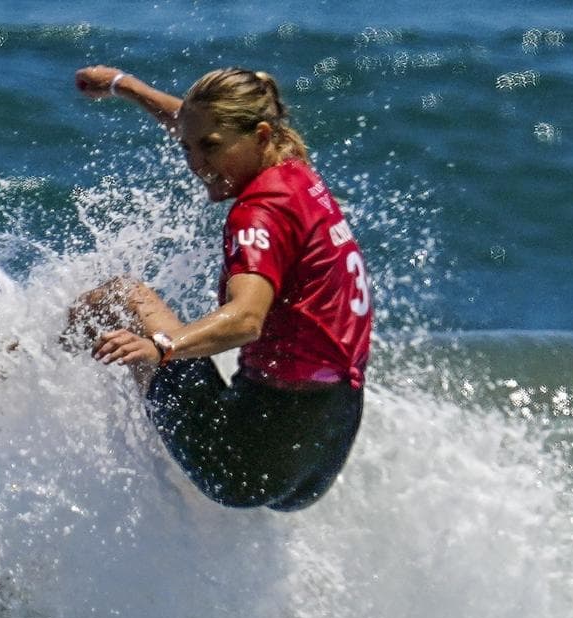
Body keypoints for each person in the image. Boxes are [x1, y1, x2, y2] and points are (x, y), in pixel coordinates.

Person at [68, 65, 373, 512]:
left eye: (208, 149)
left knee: (124, 297)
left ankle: (12, 364)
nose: (196, 164)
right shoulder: (295, 173)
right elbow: (200, 125)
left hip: (240, 461)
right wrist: (126, 86)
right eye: (187, 148)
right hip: (322, 449)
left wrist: (161, 347)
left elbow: (247, 319)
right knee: (168, 356)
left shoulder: (259, 213)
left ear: (260, 136)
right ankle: (171, 453)